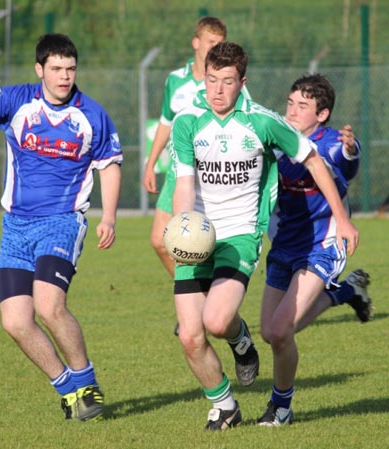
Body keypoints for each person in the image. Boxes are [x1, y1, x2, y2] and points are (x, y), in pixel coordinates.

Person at [170, 42, 358, 431]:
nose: (217, 90)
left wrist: (343, 218)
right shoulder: (187, 121)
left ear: (243, 82)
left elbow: (313, 159)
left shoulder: (262, 121)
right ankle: (224, 405)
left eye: (227, 82)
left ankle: (254, 363)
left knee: (220, 322)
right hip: (200, 236)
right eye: (211, 80)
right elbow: (184, 183)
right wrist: (184, 225)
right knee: (190, 336)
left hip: (240, 235)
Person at [0, 33, 122, 422]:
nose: (64, 76)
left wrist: (108, 216)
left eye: (71, 68)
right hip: (15, 228)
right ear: (40, 69)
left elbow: (109, 164)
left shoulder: (91, 114)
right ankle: (68, 391)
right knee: (14, 321)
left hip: (62, 222)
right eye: (57, 69)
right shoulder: (17, 100)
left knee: (48, 305)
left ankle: (87, 382)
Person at [257, 74, 370, 427]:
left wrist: (351, 150)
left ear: (322, 115)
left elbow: (348, 163)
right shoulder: (277, 139)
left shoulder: (333, 143)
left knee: (279, 333)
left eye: (302, 106)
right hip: (285, 243)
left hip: (323, 245)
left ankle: (281, 408)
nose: (292, 111)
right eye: (290, 103)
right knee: (270, 331)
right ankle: (346, 291)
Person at [142, 16, 251, 280]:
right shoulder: (176, 81)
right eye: (211, 42)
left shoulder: (229, 82)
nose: (215, 47)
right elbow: (166, 123)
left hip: (213, 172)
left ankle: (206, 295)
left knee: (200, 241)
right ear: (196, 42)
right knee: (159, 240)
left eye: (220, 43)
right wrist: (151, 163)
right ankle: (197, 288)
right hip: (179, 170)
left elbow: (248, 122)